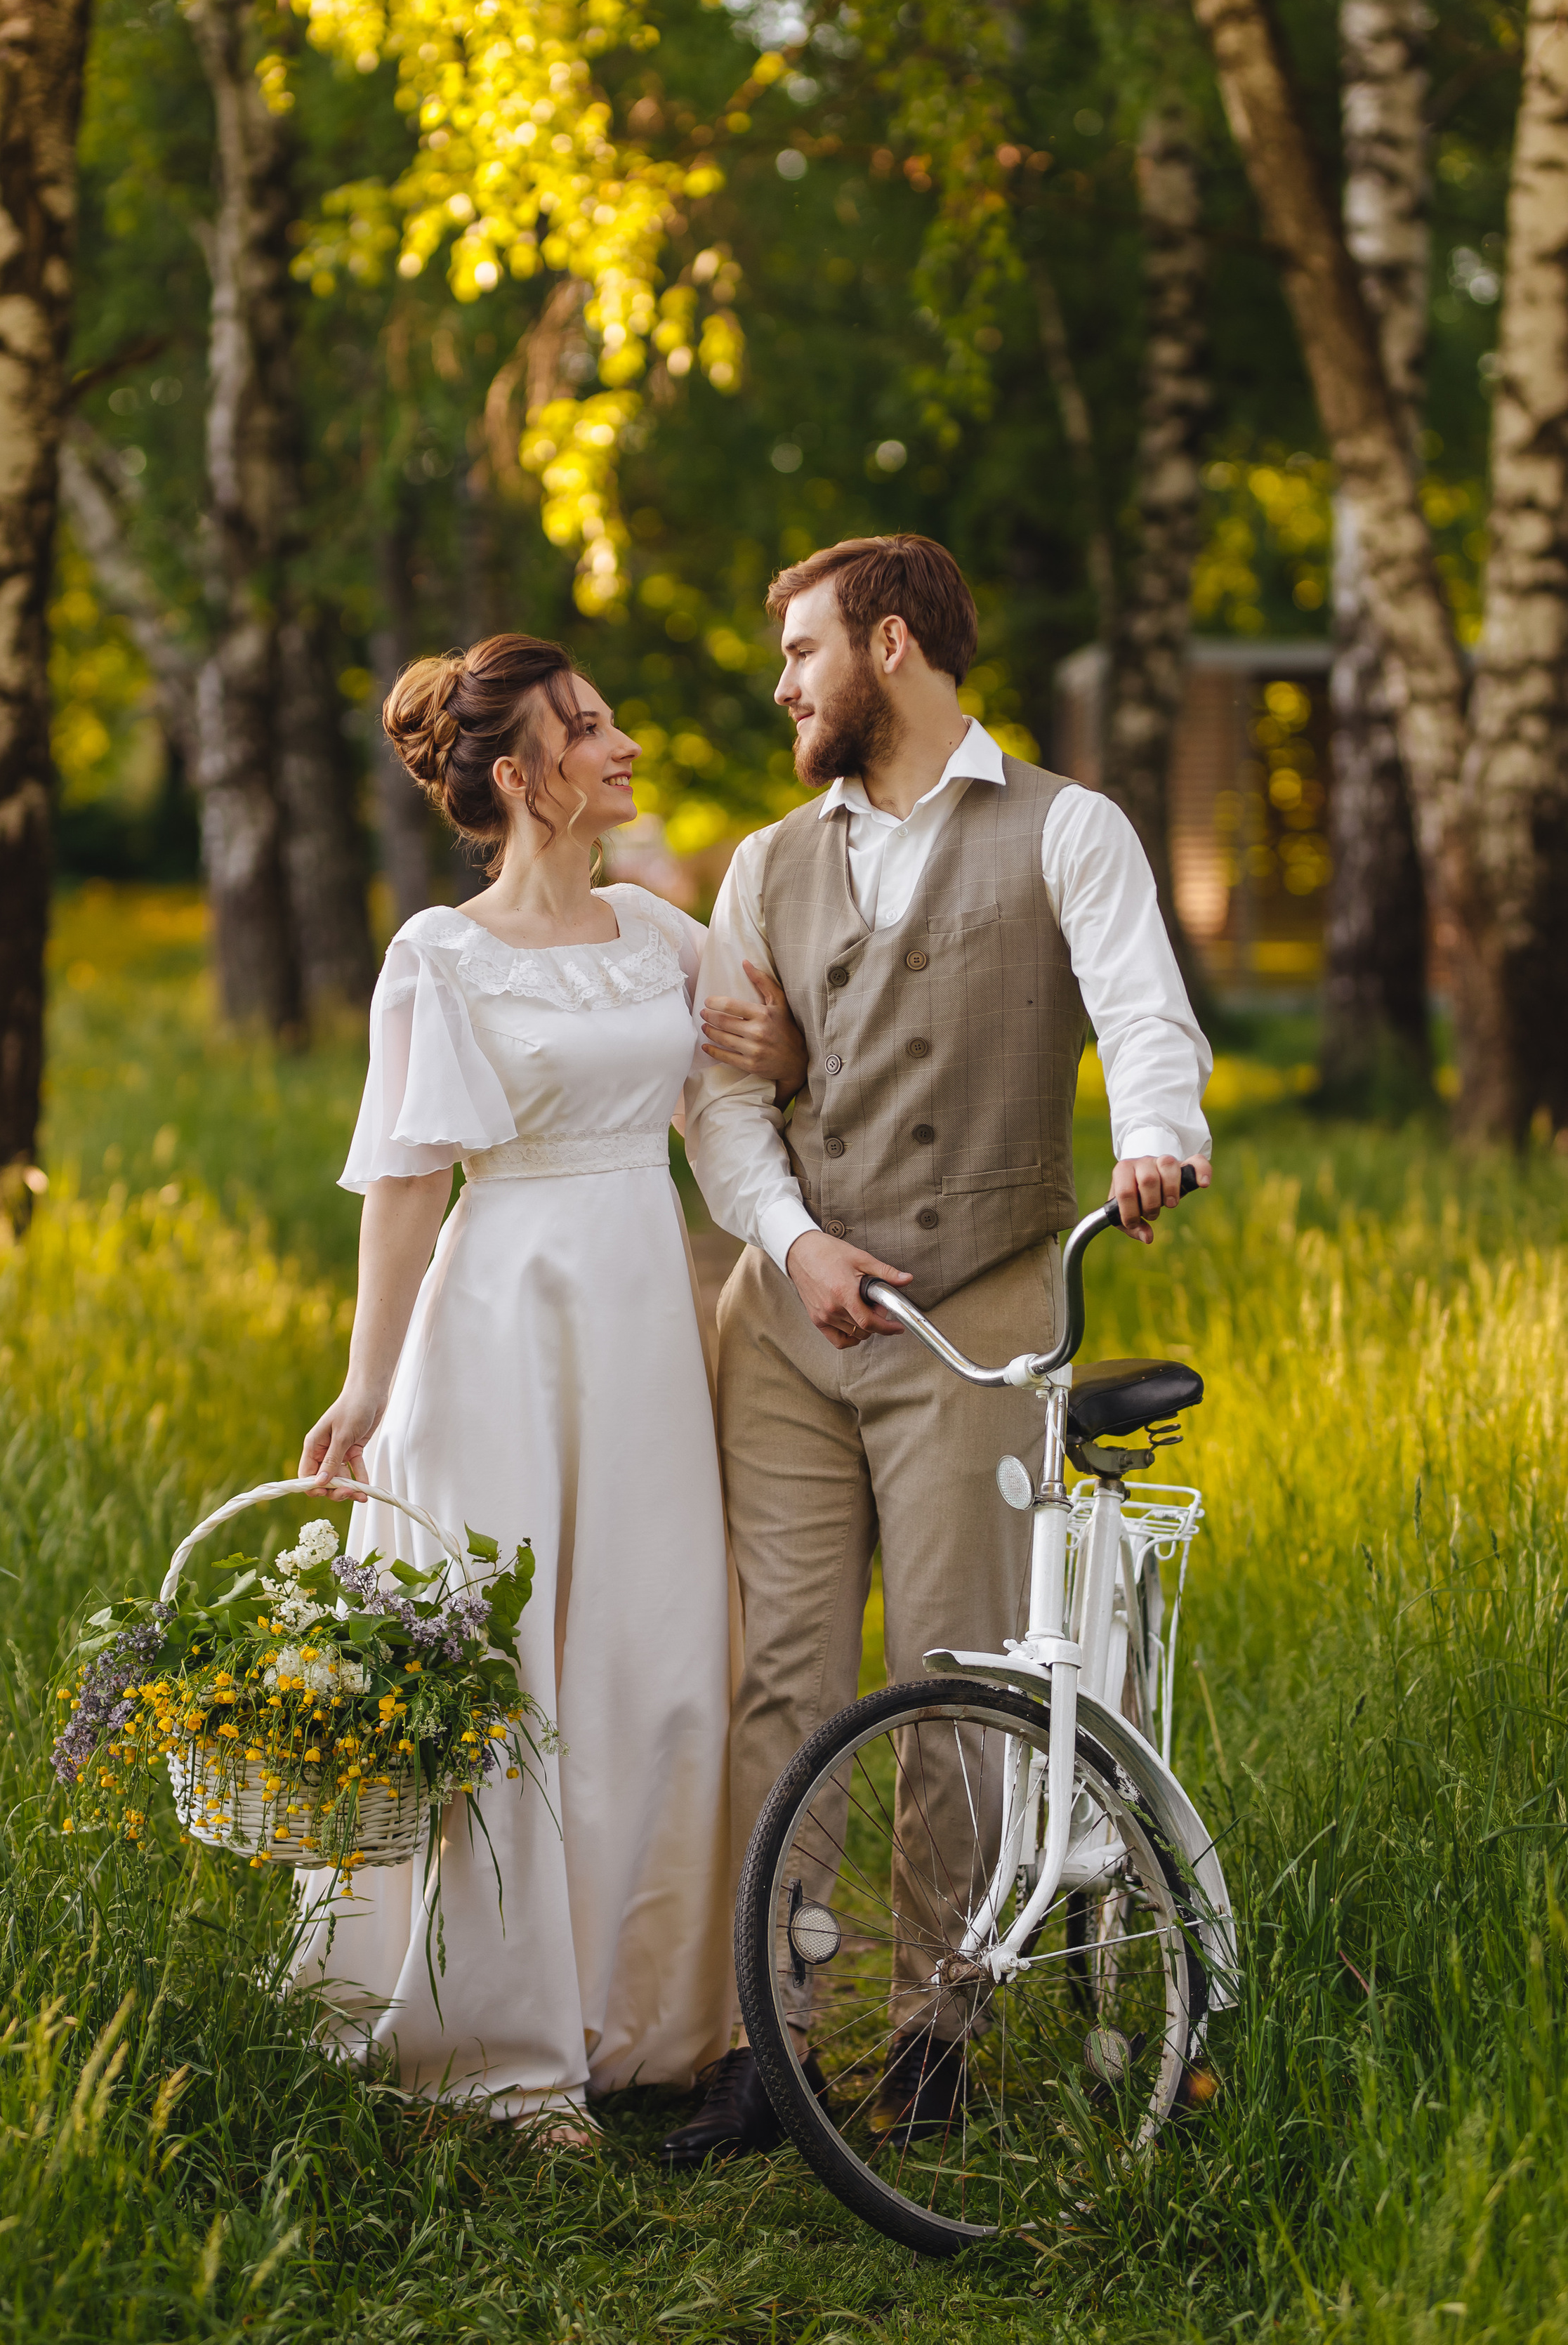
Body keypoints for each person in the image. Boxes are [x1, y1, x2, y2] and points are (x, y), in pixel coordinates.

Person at [670, 534, 1213, 2165]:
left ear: (888, 649)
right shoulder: (767, 857)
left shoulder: (1067, 828)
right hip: (786, 1319)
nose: (780, 686)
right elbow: (721, 1098)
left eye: (800, 652)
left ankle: (930, 2036)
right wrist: (792, 1241)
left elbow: (1140, 1009)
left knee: (953, 1677)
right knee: (779, 1677)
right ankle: (775, 2038)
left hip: (974, 1312)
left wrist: (1158, 1135)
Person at [289, 633, 807, 2142]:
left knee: (653, 1658)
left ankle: (647, 2019)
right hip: (500, 1325)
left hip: (646, 1321)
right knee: (501, 1664)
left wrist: (769, 1047)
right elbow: (403, 1181)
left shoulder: (659, 931)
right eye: (588, 729)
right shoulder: (436, 958)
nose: (620, 744)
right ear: (520, 778)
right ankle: (491, 2045)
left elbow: (747, 1082)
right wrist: (365, 1383)